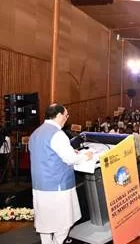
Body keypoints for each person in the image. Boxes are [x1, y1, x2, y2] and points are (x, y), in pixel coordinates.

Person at [29, 104, 93, 244]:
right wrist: (85, 156)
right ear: (58, 115)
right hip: (58, 186)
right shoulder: (58, 134)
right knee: (64, 221)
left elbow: (46, 155)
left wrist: (71, 152)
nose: (67, 118)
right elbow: (70, 159)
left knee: (45, 221)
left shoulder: (35, 133)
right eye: (66, 115)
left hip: (39, 185)